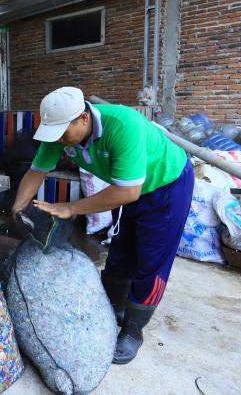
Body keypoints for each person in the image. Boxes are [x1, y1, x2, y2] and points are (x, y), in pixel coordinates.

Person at [11, 87, 194, 365]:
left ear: (83, 118)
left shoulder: (122, 125)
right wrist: (18, 207)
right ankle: (112, 309)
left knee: (150, 262)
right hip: (129, 187)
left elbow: (128, 192)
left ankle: (133, 331)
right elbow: (37, 171)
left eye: (63, 133)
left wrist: (70, 207)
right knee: (121, 252)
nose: (59, 140)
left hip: (166, 186)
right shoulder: (59, 131)